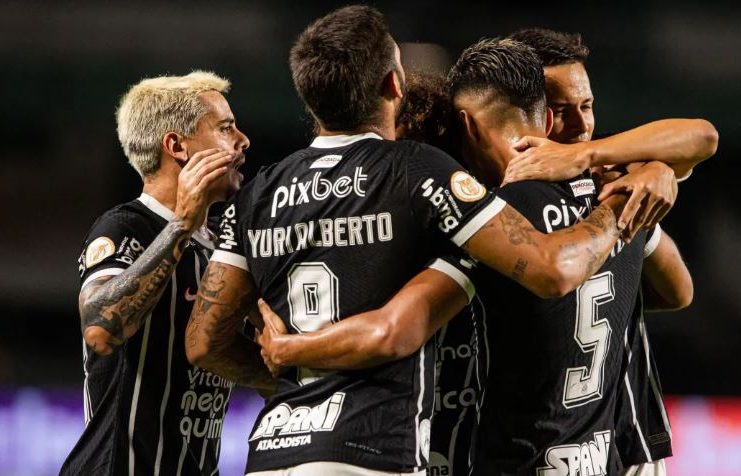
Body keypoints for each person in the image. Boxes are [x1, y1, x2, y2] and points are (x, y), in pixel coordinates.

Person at [186, 6, 637, 476]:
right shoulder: (416, 170)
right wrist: (619, 204)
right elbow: (551, 270)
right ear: (394, 84)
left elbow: (203, 344)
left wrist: (292, 380)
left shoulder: (258, 194)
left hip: (271, 452)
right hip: (372, 451)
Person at [506, 28, 717, 475]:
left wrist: (605, 161)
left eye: (586, 106)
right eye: (561, 110)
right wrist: (647, 174)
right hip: (546, 443)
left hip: (623, 437)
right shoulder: (509, 196)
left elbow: (703, 136)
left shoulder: (607, 173)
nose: (580, 125)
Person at [61, 71, 272, 476]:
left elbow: (266, 361)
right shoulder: (126, 226)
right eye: (225, 128)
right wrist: (182, 224)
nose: (243, 140)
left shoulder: (226, 244)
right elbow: (100, 330)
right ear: (177, 146)